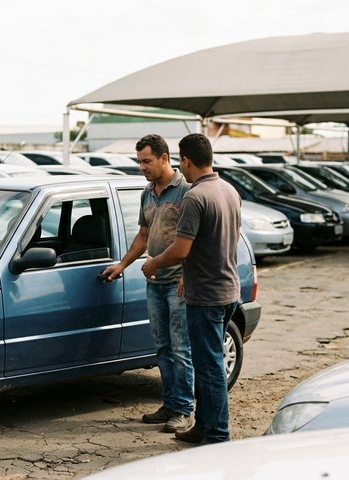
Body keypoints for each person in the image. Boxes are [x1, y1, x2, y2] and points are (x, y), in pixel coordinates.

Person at [142, 133, 241, 445]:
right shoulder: (228, 190)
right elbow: (231, 237)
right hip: (228, 290)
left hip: (206, 295)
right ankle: (203, 425)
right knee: (205, 364)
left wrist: (155, 263)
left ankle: (217, 435)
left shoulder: (195, 197)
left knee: (209, 369)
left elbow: (181, 249)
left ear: (185, 161)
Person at [102, 134, 195, 434]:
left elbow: (196, 240)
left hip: (179, 283)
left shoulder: (187, 191)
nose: (142, 167)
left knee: (181, 348)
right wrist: (122, 264)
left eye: (147, 161)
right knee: (162, 347)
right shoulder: (147, 193)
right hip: (155, 283)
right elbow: (144, 236)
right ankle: (170, 403)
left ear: (164, 158)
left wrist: (188, 275)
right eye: (139, 161)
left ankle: (184, 409)